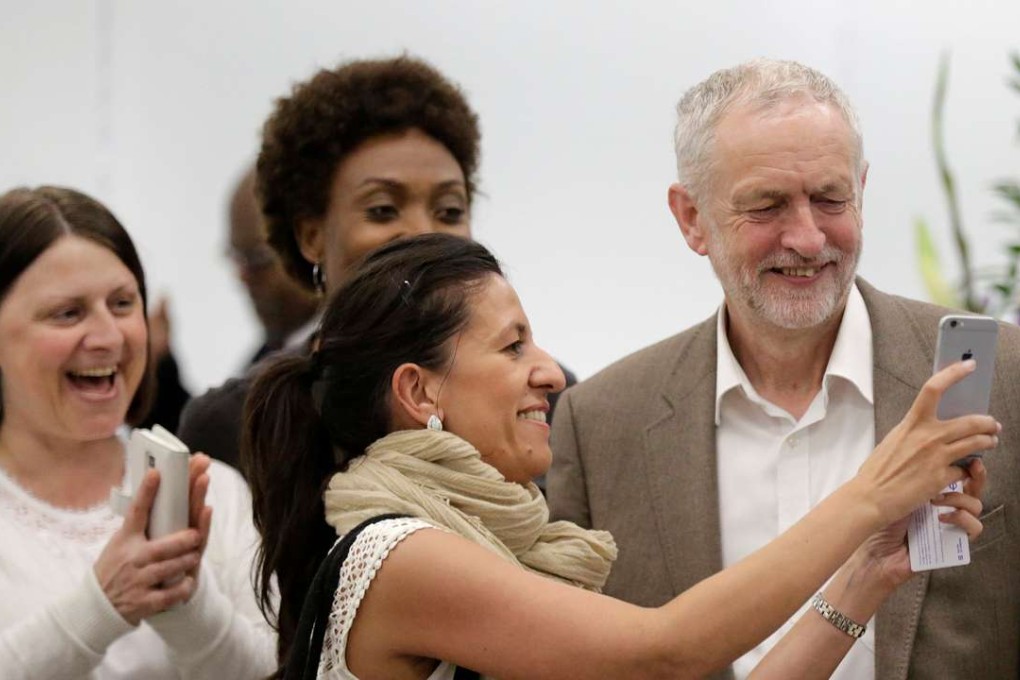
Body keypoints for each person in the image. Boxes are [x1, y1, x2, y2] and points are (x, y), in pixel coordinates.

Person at [243, 232, 994, 680]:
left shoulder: (469, 549)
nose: (548, 370)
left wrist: (867, 572)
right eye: (512, 346)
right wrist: (871, 490)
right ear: (417, 391)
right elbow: (666, 650)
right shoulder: (401, 552)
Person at [546, 58, 1020, 679]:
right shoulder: (599, 423)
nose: (806, 238)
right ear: (691, 218)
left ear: (863, 191)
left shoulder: (1007, 378)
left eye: (830, 199)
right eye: (766, 206)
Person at [177, 55, 576, 471]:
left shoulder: (549, 400)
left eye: (450, 210)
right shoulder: (234, 425)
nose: (425, 233)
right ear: (311, 235)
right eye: (383, 210)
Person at [0, 186, 275, 679]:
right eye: (68, 312)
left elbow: (275, 672)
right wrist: (100, 607)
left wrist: (189, 609)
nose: (109, 337)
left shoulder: (216, 493)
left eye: (123, 304)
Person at [226, 166, 319, 367]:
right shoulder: (256, 367)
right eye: (237, 258)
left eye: (258, 259)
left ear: (312, 242)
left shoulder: (354, 363)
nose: (243, 276)